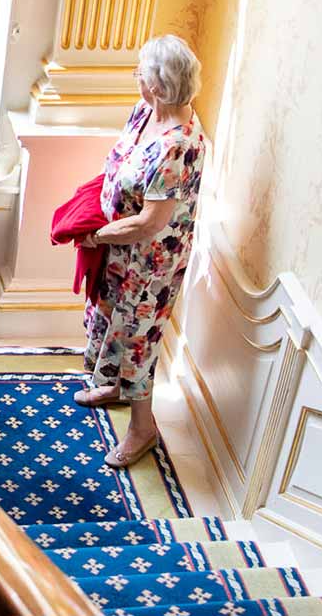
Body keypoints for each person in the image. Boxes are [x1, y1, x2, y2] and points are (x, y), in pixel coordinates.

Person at [72, 35, 209, 468]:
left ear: (158, 83)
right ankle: (111, 387)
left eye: (141, 73)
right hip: (119, 247)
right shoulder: (145, 111)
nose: (137, 79)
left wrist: (100, 236)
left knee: (136, 340)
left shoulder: (178, 146)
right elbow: (119, 165)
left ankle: (142, 429)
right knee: (110, 319)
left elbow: (152, 221)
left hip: (148, 263)